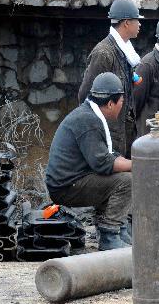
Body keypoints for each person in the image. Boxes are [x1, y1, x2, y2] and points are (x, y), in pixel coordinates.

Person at [46, 72, 132, 251]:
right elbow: (103, 163)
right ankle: (109, 234)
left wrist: (130, 163)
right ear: (110, 103)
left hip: (75, 180)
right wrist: (140, 165)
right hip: (66, 186)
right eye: (121, 102)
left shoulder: (89, 114)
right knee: (127, 181)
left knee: (120, 176)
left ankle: (118, 230)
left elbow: (109, 155)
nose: (122, 106)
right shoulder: (88, 120)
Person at [79, 0, 142, 158]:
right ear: (126, 22)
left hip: (124, 131)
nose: (140, 24)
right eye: (137, 20)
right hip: (109, 133)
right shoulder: (104, 53)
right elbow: (86, 95)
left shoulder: (125, 53)